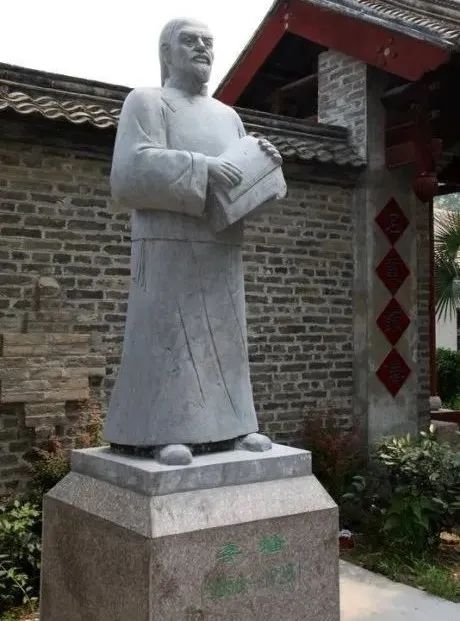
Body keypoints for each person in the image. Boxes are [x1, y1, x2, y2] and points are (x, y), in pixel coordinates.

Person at [104, 18, 282, 465]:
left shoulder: (228, 116)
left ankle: (235, 427)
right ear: (166, 52)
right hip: (167, 247)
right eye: (190, 41)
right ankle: (162, 431)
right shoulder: (146, 102)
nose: (202, 48)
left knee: (226, 343)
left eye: (208, 42)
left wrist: (264, 167)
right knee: (168, 337)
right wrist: (202, 168)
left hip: (221, 248)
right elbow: (129, 173)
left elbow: (240, 185)